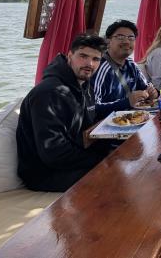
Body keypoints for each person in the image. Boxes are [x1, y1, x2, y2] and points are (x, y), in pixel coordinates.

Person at [17, 35, 110, 192]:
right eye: (83, 56)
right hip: (46, 174)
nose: (89, 63)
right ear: (69, 56)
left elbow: (86, 128)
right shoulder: (50, 93)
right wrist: (101, 160)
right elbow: (55, 154)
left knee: (131, 163)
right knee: (119, 177)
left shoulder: (84, 85)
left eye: (96, 59)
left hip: (74, 159)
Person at [92, 20, 158, 120]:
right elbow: (92, 108)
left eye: (131, 38)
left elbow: (146, 88)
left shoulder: (131, 64)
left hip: (132, 120)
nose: (126, 41)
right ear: (108, 41)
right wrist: (127, 102)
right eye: (120, 37)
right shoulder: (101, 67)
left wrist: (152, 93)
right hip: (106, 126)